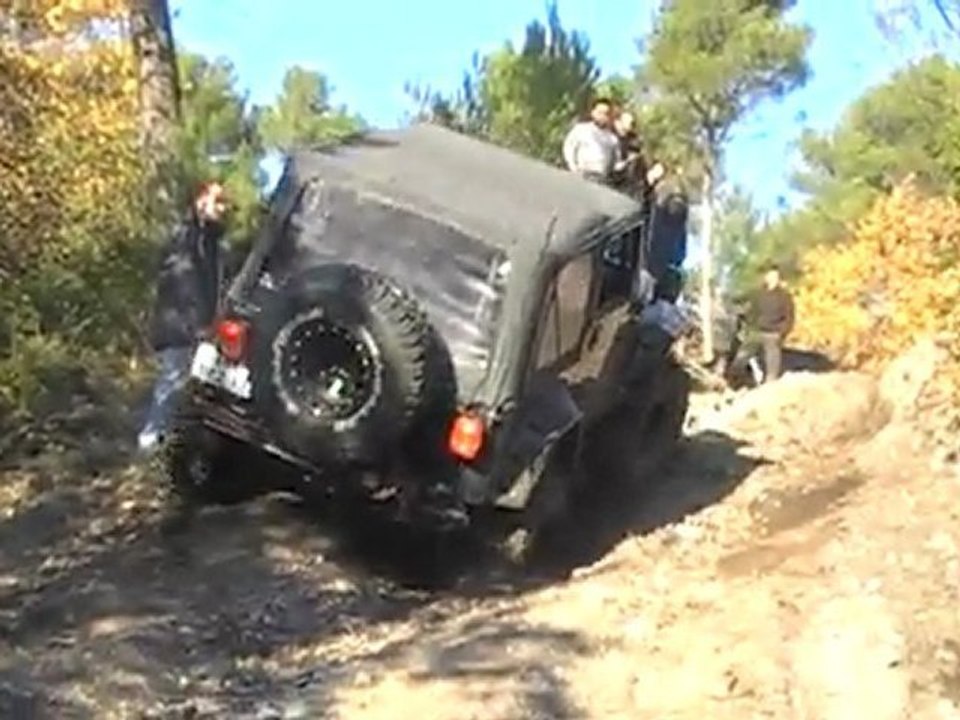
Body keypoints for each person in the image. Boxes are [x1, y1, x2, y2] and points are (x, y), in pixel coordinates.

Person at [137, 181, 229, 452]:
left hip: (202, 326)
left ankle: (170, 446)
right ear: (200, 202)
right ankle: (149, 443)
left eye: (224, 202)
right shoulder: (185, 237)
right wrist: (197, 324)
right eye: (217, 201)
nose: (223, 208)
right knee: (173, 384)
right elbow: (182, 281)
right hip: (180, 325)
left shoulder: (212, 241)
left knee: (194, 390)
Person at [562, 97, 621, 184]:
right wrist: (573, 168)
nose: (602, 116)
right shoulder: (581, 129)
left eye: (606, 114)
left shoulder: (612, 139)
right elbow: (568, 149)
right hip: (581, 175)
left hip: (601, 180)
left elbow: (615, 161)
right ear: (593, 113)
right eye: (599, 113)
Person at [754, 264, 795, 383]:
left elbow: (789, 315)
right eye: (770, 276)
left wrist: (783, 331)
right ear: (765, 278)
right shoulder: (759, 295)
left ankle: (770, 382)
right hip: (758, 331)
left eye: (775, 276)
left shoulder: (784, 296)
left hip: (774, 332)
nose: (772, 279)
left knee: (772, 358)